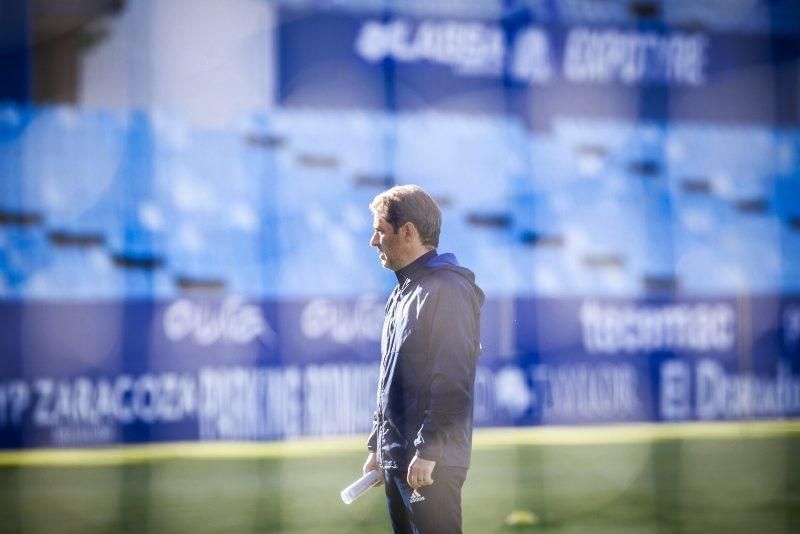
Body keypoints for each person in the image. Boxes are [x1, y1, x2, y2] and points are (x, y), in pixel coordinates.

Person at [362, 185, 484, 533]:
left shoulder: (448, 290)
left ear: (408, 231)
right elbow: (392, 380)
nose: (374, 241)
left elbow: (452, 380)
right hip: (400, 458)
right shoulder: (403, 292)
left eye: (380, 230)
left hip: (429, 464)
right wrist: (379, 447)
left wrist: (429, 451)